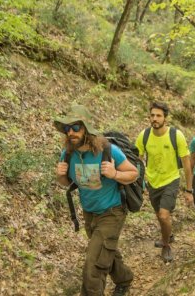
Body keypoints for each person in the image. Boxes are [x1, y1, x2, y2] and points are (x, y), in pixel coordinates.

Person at [54, 104, 138, 296]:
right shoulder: (67, 153)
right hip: (89, 213)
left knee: (93, 265)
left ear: (86, 129)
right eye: (67, 128)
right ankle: (124, 279)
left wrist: (115, 173)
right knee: (104, 251)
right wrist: (60, 176)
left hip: (112, 211)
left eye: (76, 127)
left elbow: (133, 173)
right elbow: (67, 182)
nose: (71, 133)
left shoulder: (108, 151)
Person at [135, 101, 193, 263]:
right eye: (152, 115)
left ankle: (166, 245)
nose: (155, 118)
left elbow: (187, 164)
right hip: (152, 181)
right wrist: (138, 183)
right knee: (160, 216)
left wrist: (189, 190)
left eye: (158, 115)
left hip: (171, 180)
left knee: (164, 214)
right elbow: (137, 161)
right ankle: (167, 235)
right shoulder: (144, 136)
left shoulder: (176, 135)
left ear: (165, 118)